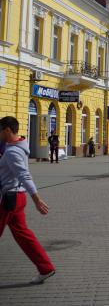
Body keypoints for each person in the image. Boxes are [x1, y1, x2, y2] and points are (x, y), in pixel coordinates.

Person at [0, 116, 56, 284]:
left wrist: (37, 199)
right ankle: (45, 268)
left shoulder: (12, 151)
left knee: (24, 236)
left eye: (0, 130)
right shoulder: (16, 146)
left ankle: (45, 267)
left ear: (7, 130)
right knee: (24, 236)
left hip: (9, 199)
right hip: (17, 198)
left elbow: (24, 175)